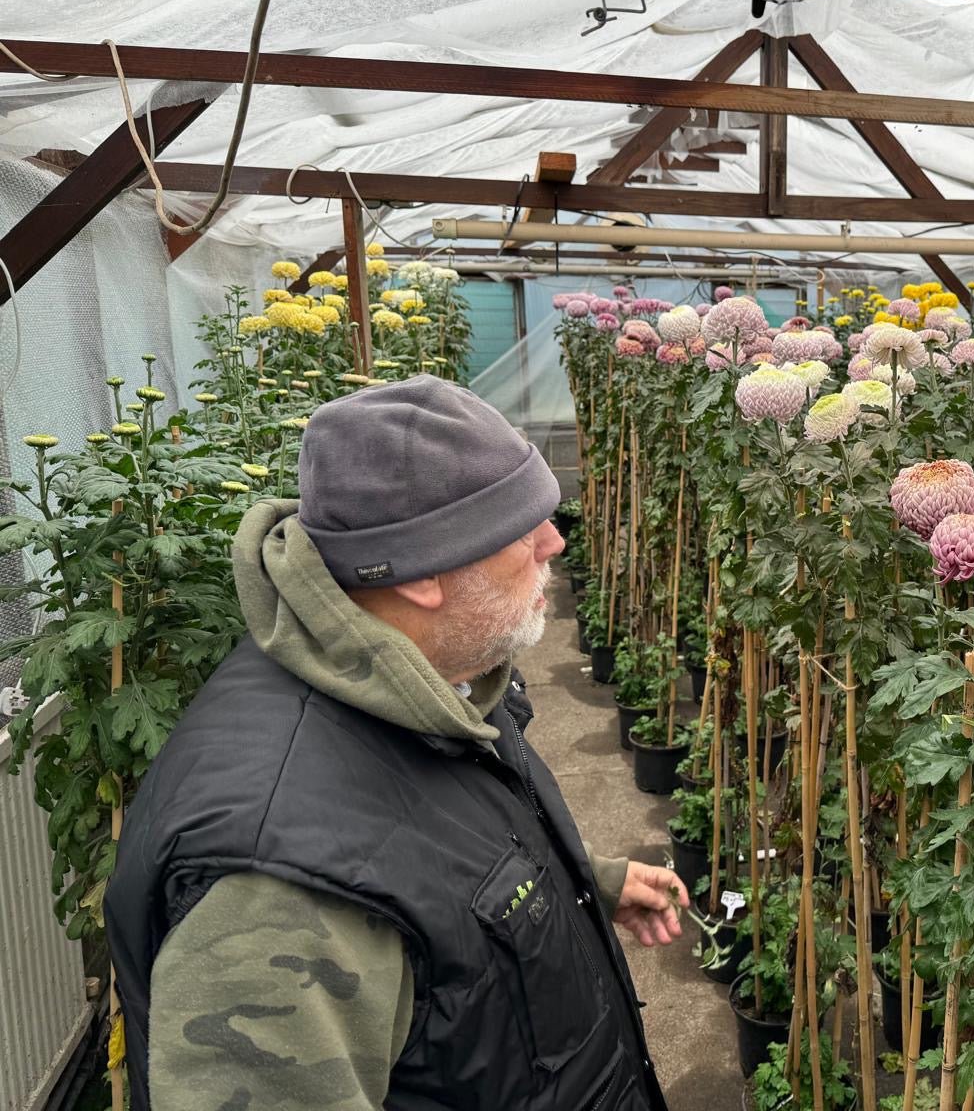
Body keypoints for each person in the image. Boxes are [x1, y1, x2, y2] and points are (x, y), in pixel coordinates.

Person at [106, 375, 682, 1110]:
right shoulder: (276, 894)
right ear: (424, 571)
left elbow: (433, 844)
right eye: (521, 525)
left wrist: (585, 882)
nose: (554, 541)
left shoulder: (419, 677)